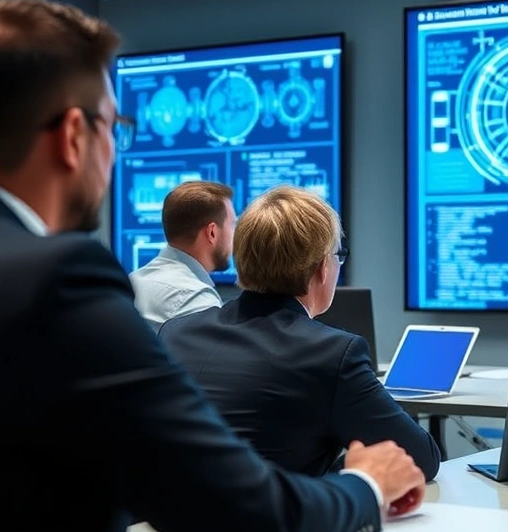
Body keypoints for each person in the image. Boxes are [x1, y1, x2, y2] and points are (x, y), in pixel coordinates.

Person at [0, 0, 424, 532]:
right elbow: (252, 521)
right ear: (74, 136)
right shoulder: (58, 283)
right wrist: (366, 484)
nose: (115, 150)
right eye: (114, 125)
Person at [160, 185, 442, 480]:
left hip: (163, 520)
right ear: (322, 267)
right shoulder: (332, 355)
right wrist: (351, 469)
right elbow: (420, 458)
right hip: (266, 520)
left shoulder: (176, 333)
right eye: (338, 255)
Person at [129, 181, 233, 331]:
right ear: (212, 233)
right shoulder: (195, 299)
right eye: (232, 225)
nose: (234, 236)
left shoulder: (133, 281)